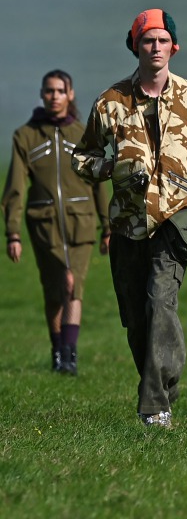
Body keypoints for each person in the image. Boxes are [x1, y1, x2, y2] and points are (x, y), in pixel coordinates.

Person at [72, 9, 187, 429]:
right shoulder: (110, 101)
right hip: (127, 224)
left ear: (173, 47)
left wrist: (184, 165)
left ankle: (154, 405)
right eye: (147, 41)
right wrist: (113, 168)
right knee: (137, 320)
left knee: (161, 303)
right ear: (135, 46)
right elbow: (82, 157)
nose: (155, 48)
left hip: (176, 221)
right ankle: (160, 390)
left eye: (162, 41)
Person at [4, 70, 110, 375]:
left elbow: (98, 183)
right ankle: (57, 350)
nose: (54, 96)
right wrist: (13, 233)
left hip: (82, 223)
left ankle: (69, 355)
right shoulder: (25, 136)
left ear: (70, 94)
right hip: (44, 226)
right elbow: (14, 188)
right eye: (49, 91)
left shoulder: (83, 135)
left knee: (73, 284)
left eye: (60, 91)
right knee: (54, 290)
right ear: (42, 94)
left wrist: (109, 226)